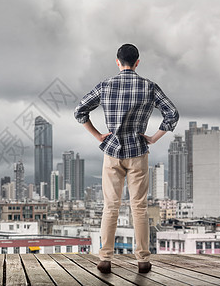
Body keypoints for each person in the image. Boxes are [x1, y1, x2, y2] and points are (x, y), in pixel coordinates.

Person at [74, 44, 179, 274]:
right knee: (139, 207)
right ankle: (143, 260)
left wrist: (98, 135)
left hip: (112, 153)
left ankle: (105, 259)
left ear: (117, 61)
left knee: (110, 207)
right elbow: (173, 114)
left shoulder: (105, 85)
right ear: (138, 62)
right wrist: (153, 138)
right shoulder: (149, 86)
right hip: (138, 153)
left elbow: (79, 111)